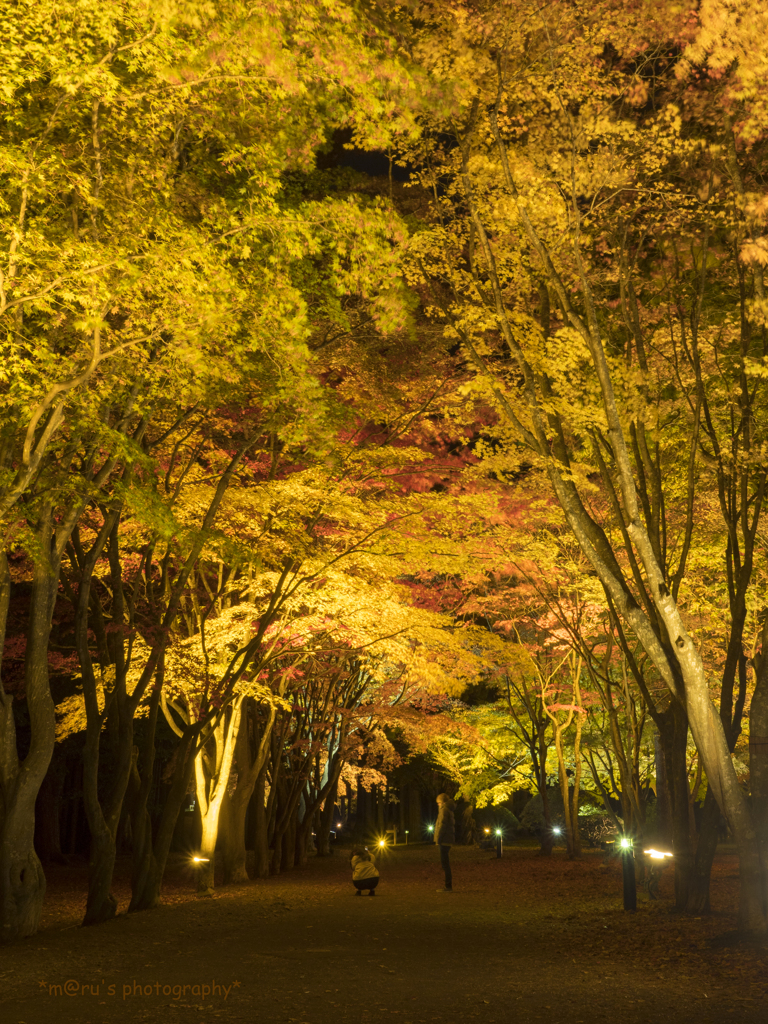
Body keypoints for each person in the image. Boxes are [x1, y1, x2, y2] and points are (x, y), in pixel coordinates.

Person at [435, 793, 455, 891]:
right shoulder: (449, 810)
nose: (438, 805)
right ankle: (448, 885)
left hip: (444, 840)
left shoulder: (444, 811)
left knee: (445, 864)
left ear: (442, 802)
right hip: (448, 839)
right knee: (445, 863)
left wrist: (438, 839)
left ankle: (448, 885)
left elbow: (442, 826)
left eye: (438, 803)